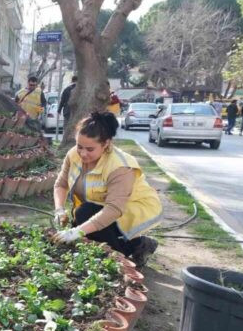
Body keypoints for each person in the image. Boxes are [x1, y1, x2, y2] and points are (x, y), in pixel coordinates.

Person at [52, 112, 162, 267]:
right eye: (79, 146)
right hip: (99, 206)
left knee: (84, 215)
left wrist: (77, 232)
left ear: (106, 144)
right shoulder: (73, 155)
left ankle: (135, 248)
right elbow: (61, 184)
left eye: (90, 149)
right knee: (83, 217)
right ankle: (117, 245)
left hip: (131, 208)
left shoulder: (120, 166)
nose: (83, 153)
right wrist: (59, 210)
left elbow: (114, 209)